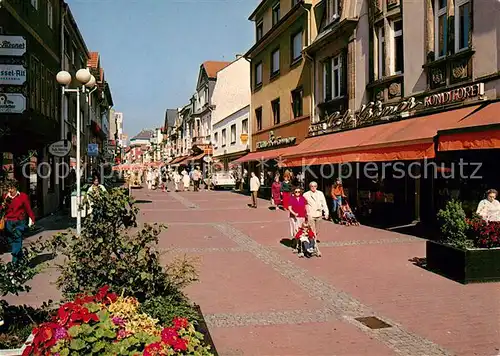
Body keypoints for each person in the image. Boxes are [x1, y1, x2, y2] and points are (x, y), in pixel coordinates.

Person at [1, 179, 35, 263]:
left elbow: (28, 208)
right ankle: (21, 259)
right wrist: (3, 206)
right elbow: (2, 210)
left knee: (17, 240)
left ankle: (14, 263)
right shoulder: (5, 196)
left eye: (11, 188)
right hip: (8, 222)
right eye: (8, 188)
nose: (10, 190)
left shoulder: (23, 196)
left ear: (16, 188)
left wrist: (32, 219)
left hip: (19, 222)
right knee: (11, 240)